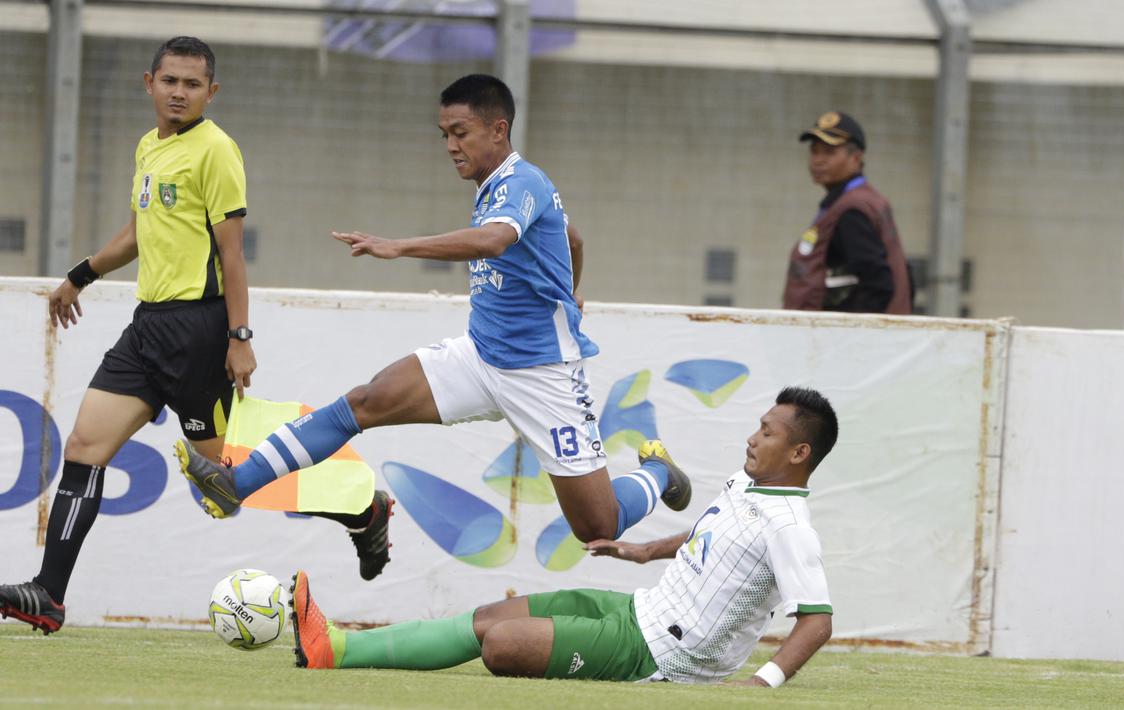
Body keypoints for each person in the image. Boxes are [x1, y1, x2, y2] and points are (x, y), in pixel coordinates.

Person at [177, 74, 690, 548]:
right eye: (444, 134)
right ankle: (236, 483)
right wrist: (569, 291)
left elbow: (493, 241)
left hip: (544, 375)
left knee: (596, 528)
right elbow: (571, 238)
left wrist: (398, 246)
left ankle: (658, 472)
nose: (450, 146)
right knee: (365, 401)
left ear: (498, 129)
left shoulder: (522, 181)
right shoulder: (498, 187)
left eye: (460, 133)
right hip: (481, 358)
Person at [0, 37, 389, 636]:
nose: (179, 92)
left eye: (192, 84)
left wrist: (239, 336)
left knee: (224, 487)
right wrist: (80, 276)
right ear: (148, 83)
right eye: (170, 81)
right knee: (83, 447)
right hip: (146, 329)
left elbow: (232, 254)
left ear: (212, 91)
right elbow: (139, 231)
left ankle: (363, 511)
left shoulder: (217, 150)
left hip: (201, 333)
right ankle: (48, 595)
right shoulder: (148, 146)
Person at [288, 386, 837, 687]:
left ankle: (656, 480)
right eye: (757, 425)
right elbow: (712, 533)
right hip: (639, 611)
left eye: (766, 433)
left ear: (799, 452)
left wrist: (761, 685)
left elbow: (817, 621)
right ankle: (335, 648)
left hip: (663, 655)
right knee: (488, 618)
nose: (752, 438)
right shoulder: (746, 484)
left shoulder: (791, 529)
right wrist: (643, 550)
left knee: (502, 646)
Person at [783, 111, 913, 314]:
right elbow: (904, 276)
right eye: (814, 151)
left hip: (839, 332)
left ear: (856, 158)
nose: (818, 160)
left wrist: (838, 327)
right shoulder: (865, 200)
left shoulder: (851, 211)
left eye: (829, 152)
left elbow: (878, 285)